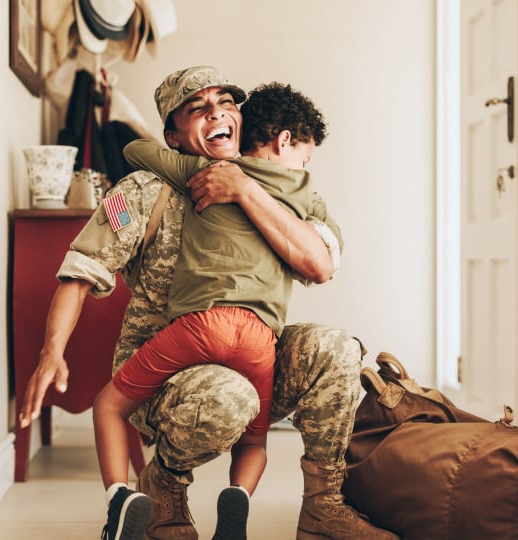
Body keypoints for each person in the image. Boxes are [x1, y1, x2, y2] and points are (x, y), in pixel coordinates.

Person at [19, 66, 397, 540]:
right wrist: (51, 352)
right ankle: (164, 494)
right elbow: (80, 272)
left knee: (337, 348)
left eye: (225, 102)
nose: (216, 112)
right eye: (196, 108)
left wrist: (246, 190)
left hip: (254, 349)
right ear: (174, 138)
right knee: (228, 396)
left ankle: (324, 507)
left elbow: (320, 262)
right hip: (167, 372)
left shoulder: (284, 184)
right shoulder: (143, 190)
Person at [87, 81, 334, 540]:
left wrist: (192, 157)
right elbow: (323, 256)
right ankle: (236, 498)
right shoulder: (303, 196)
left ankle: (121, 499)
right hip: (260, 338)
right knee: (255, 440)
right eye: (306, 153)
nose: (305, 165)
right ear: (284, 142)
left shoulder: (206, 173)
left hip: (204, 325)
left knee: (109, 405)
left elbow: (136, 149)